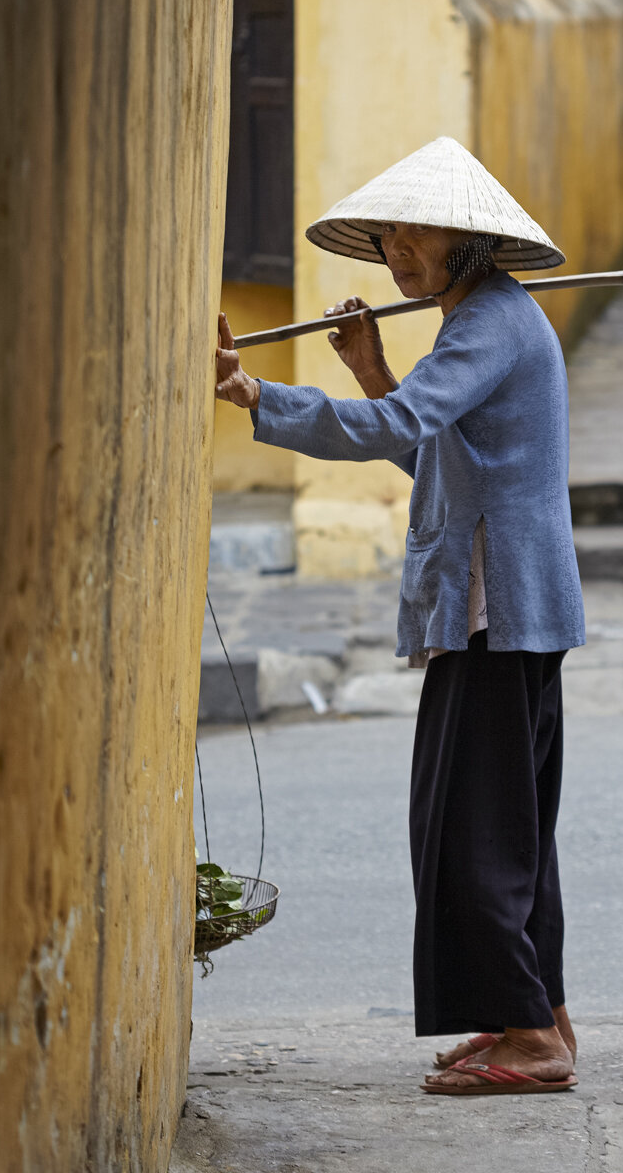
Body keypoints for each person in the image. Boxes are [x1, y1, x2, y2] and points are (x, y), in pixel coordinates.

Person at [214, 137, 585, 1096]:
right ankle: (533, 1017)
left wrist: (256, 392)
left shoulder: (488, 324)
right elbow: (440, 465)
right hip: (500, 614)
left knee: (473, 833)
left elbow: (396, 435)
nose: (394, 250)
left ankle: (534, 1042)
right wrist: (375, 370)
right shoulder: (480, 324)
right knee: (501, 829)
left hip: (498, 613)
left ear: (467, 240)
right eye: (385, 234)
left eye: (414, 230)